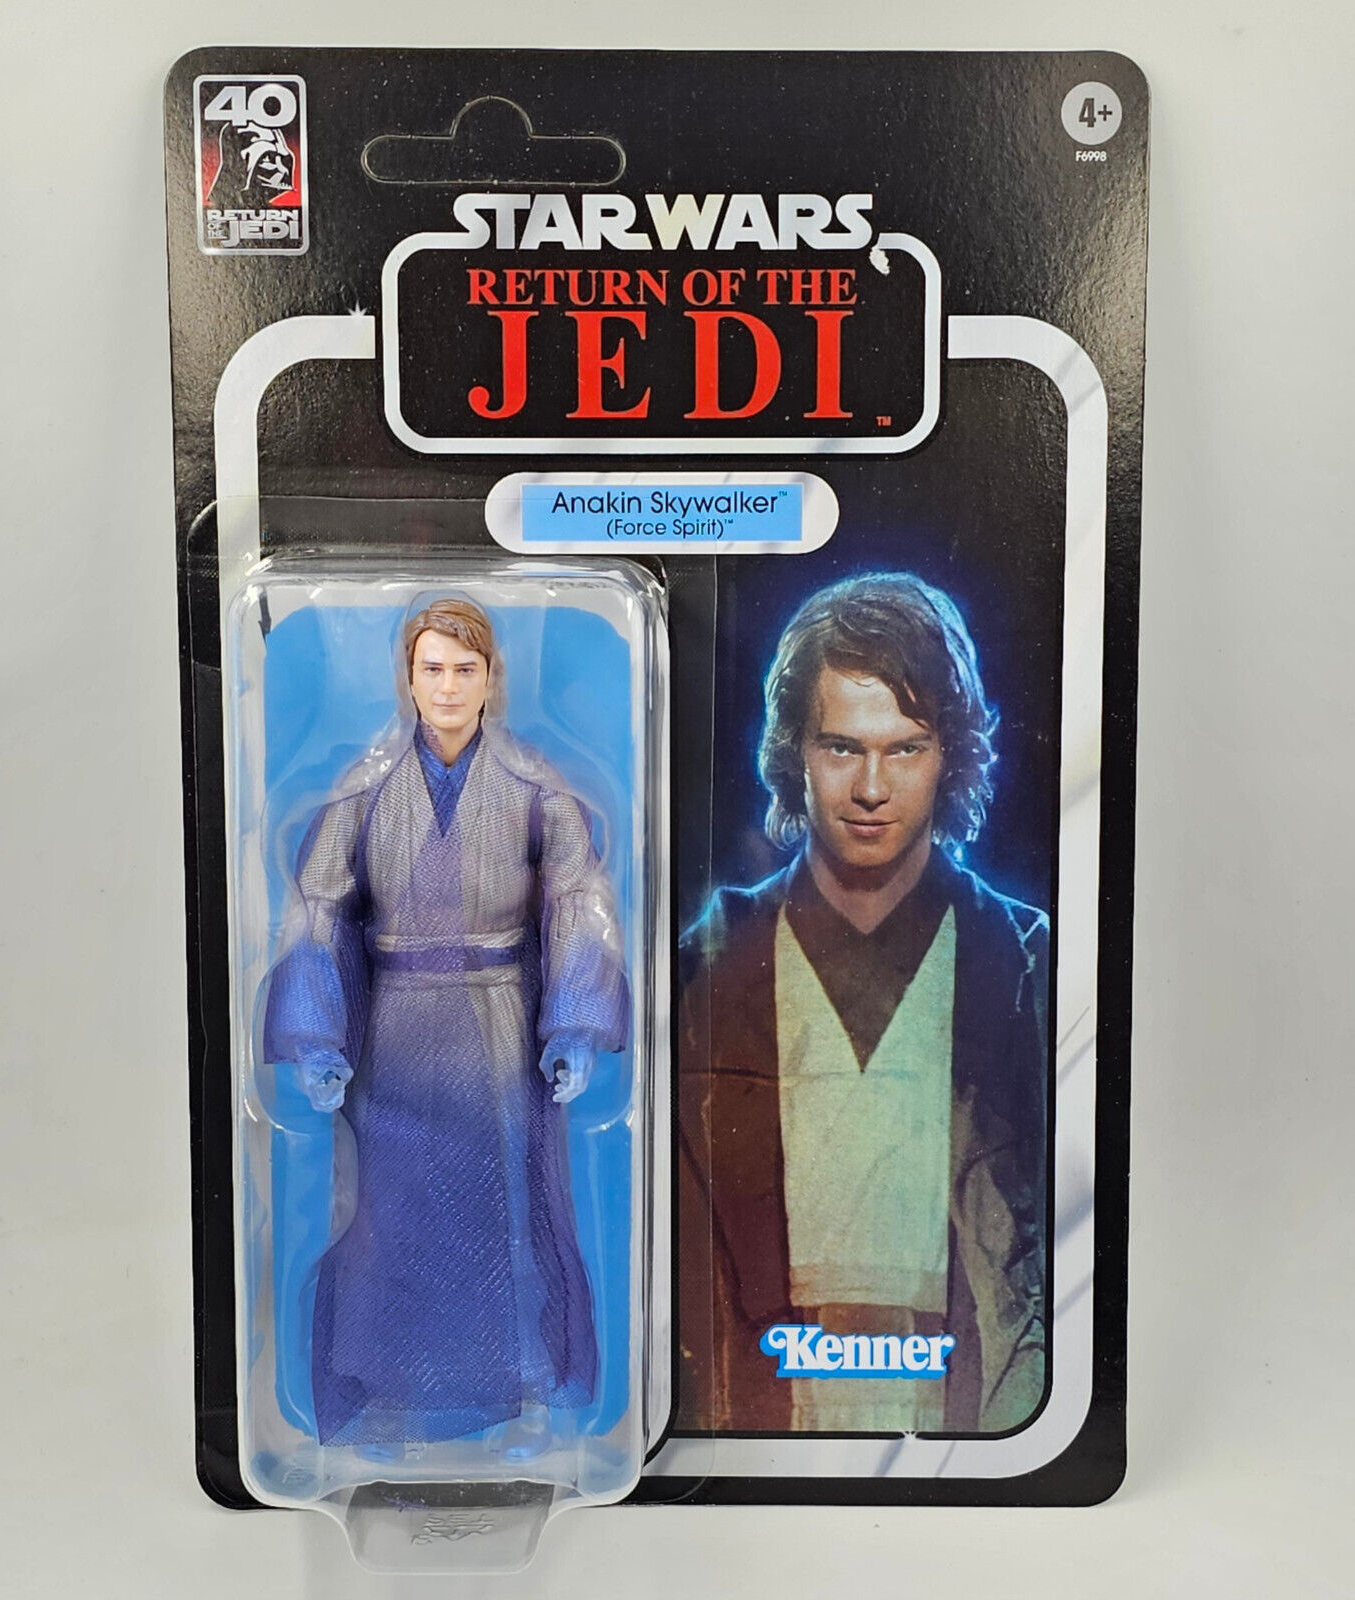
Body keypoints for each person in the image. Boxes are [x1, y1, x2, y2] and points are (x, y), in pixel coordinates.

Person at [677, 573, 1049, 1435]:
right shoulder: (711, 958)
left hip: (974, 1419)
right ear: (794, 754)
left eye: (906, 748)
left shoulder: (1025, 961)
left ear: (950, 754)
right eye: (842, 747)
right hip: (755, 1417)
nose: (872, 787)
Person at [261, 596, 629, 1453]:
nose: (450, 686)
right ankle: (388, 1389)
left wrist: (573, 1026)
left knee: (506, 1209)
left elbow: (578, 899)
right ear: (409, 678)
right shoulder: (365, 789)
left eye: (466, 669)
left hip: (498, 1025)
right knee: (387, 1215)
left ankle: (515, 1386)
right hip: (393, 1034)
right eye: (433, 669)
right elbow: (317, 907)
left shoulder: (535, 789)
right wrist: (317, 1039)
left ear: (492, 677)